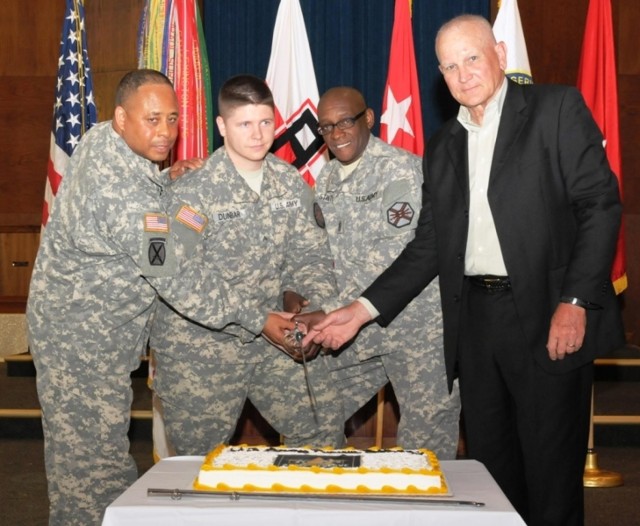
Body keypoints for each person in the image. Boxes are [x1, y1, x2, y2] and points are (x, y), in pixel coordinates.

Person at [302, 15, 625, 526]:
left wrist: (576, 301)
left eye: (471, 58)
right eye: (450, 66)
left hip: (547, 313)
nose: (463, 74)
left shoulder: (554, 108)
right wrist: (361, 311)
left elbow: (600, 206)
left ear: (499, 52)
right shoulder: (444, 144)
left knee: (550, 474)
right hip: (474, 326)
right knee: (490, 474)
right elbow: (428, 246)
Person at [26, 69, 297, 526]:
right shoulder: (122, 193)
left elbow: (146, 213)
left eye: (172, 119)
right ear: (120, 118)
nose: (165, 133)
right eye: (152, 120)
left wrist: (166, 181)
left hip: (92, 335)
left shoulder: (102, 142)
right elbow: (176, 275)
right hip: (81, 346)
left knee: (97, 462)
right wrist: (259, 317)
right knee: (92, 474)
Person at [148, 74, 345, 457]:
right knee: (198, 466)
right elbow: (175, 280)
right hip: (201, 353)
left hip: (277, 341)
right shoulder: (189, 192)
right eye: (244, 124)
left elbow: (311, 254)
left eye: (266, 122)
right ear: (222, 126)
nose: (258, 135)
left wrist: (307, 305)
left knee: (323, 437)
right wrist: (259, 319)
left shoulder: (288, 182)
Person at [310, 86, 460, 458]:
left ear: (369, 119)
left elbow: (394, 254)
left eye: (345, 121)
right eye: (326, 127)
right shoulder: (326, 180)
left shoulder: (401, 170)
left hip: (416, 332)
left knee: (425, 447)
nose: (337, 133)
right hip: (354, 328)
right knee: (310, 413)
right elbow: (320, 253)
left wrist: (330, 309)